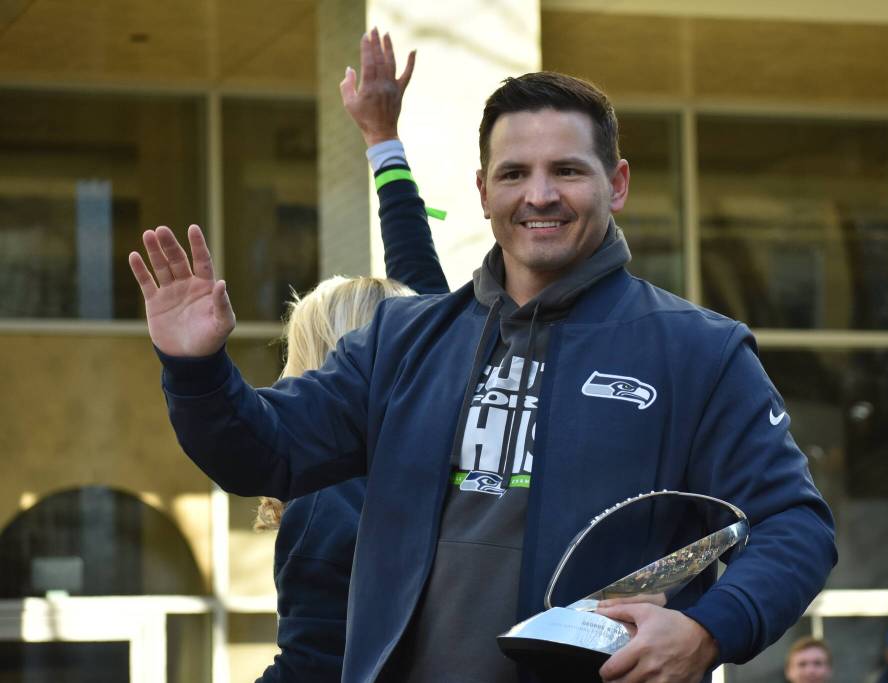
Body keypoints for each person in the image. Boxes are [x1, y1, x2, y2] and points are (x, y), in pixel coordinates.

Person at [128, 30, 837, 683]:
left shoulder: (697, 350)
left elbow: (795, 525)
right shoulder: (403, 341)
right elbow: (264, 451)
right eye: (514, 173)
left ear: (616, 184)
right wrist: (197, 370)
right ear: (482, 191)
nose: (539, 195)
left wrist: (707, 629)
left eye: (567, 170)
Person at [254, 30, 449, 682]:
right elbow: (420, 288)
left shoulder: (327, 502)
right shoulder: (449, 441)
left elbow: (312, 666)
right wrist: (382, 141)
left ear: (312, 360)